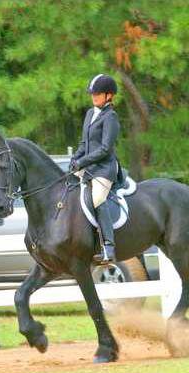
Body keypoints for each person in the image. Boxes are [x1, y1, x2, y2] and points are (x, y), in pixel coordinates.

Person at [70, 74, 121, 264]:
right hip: (89, 166)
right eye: (92, 94)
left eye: (97, 94)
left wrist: (83, 162)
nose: (93, 97)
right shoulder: (91, 114)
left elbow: (105, 149)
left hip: (104, 168)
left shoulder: (111, 117)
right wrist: (75, 157)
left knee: (98, 198)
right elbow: (85, 143)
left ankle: (108, 246)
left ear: (109, 96)